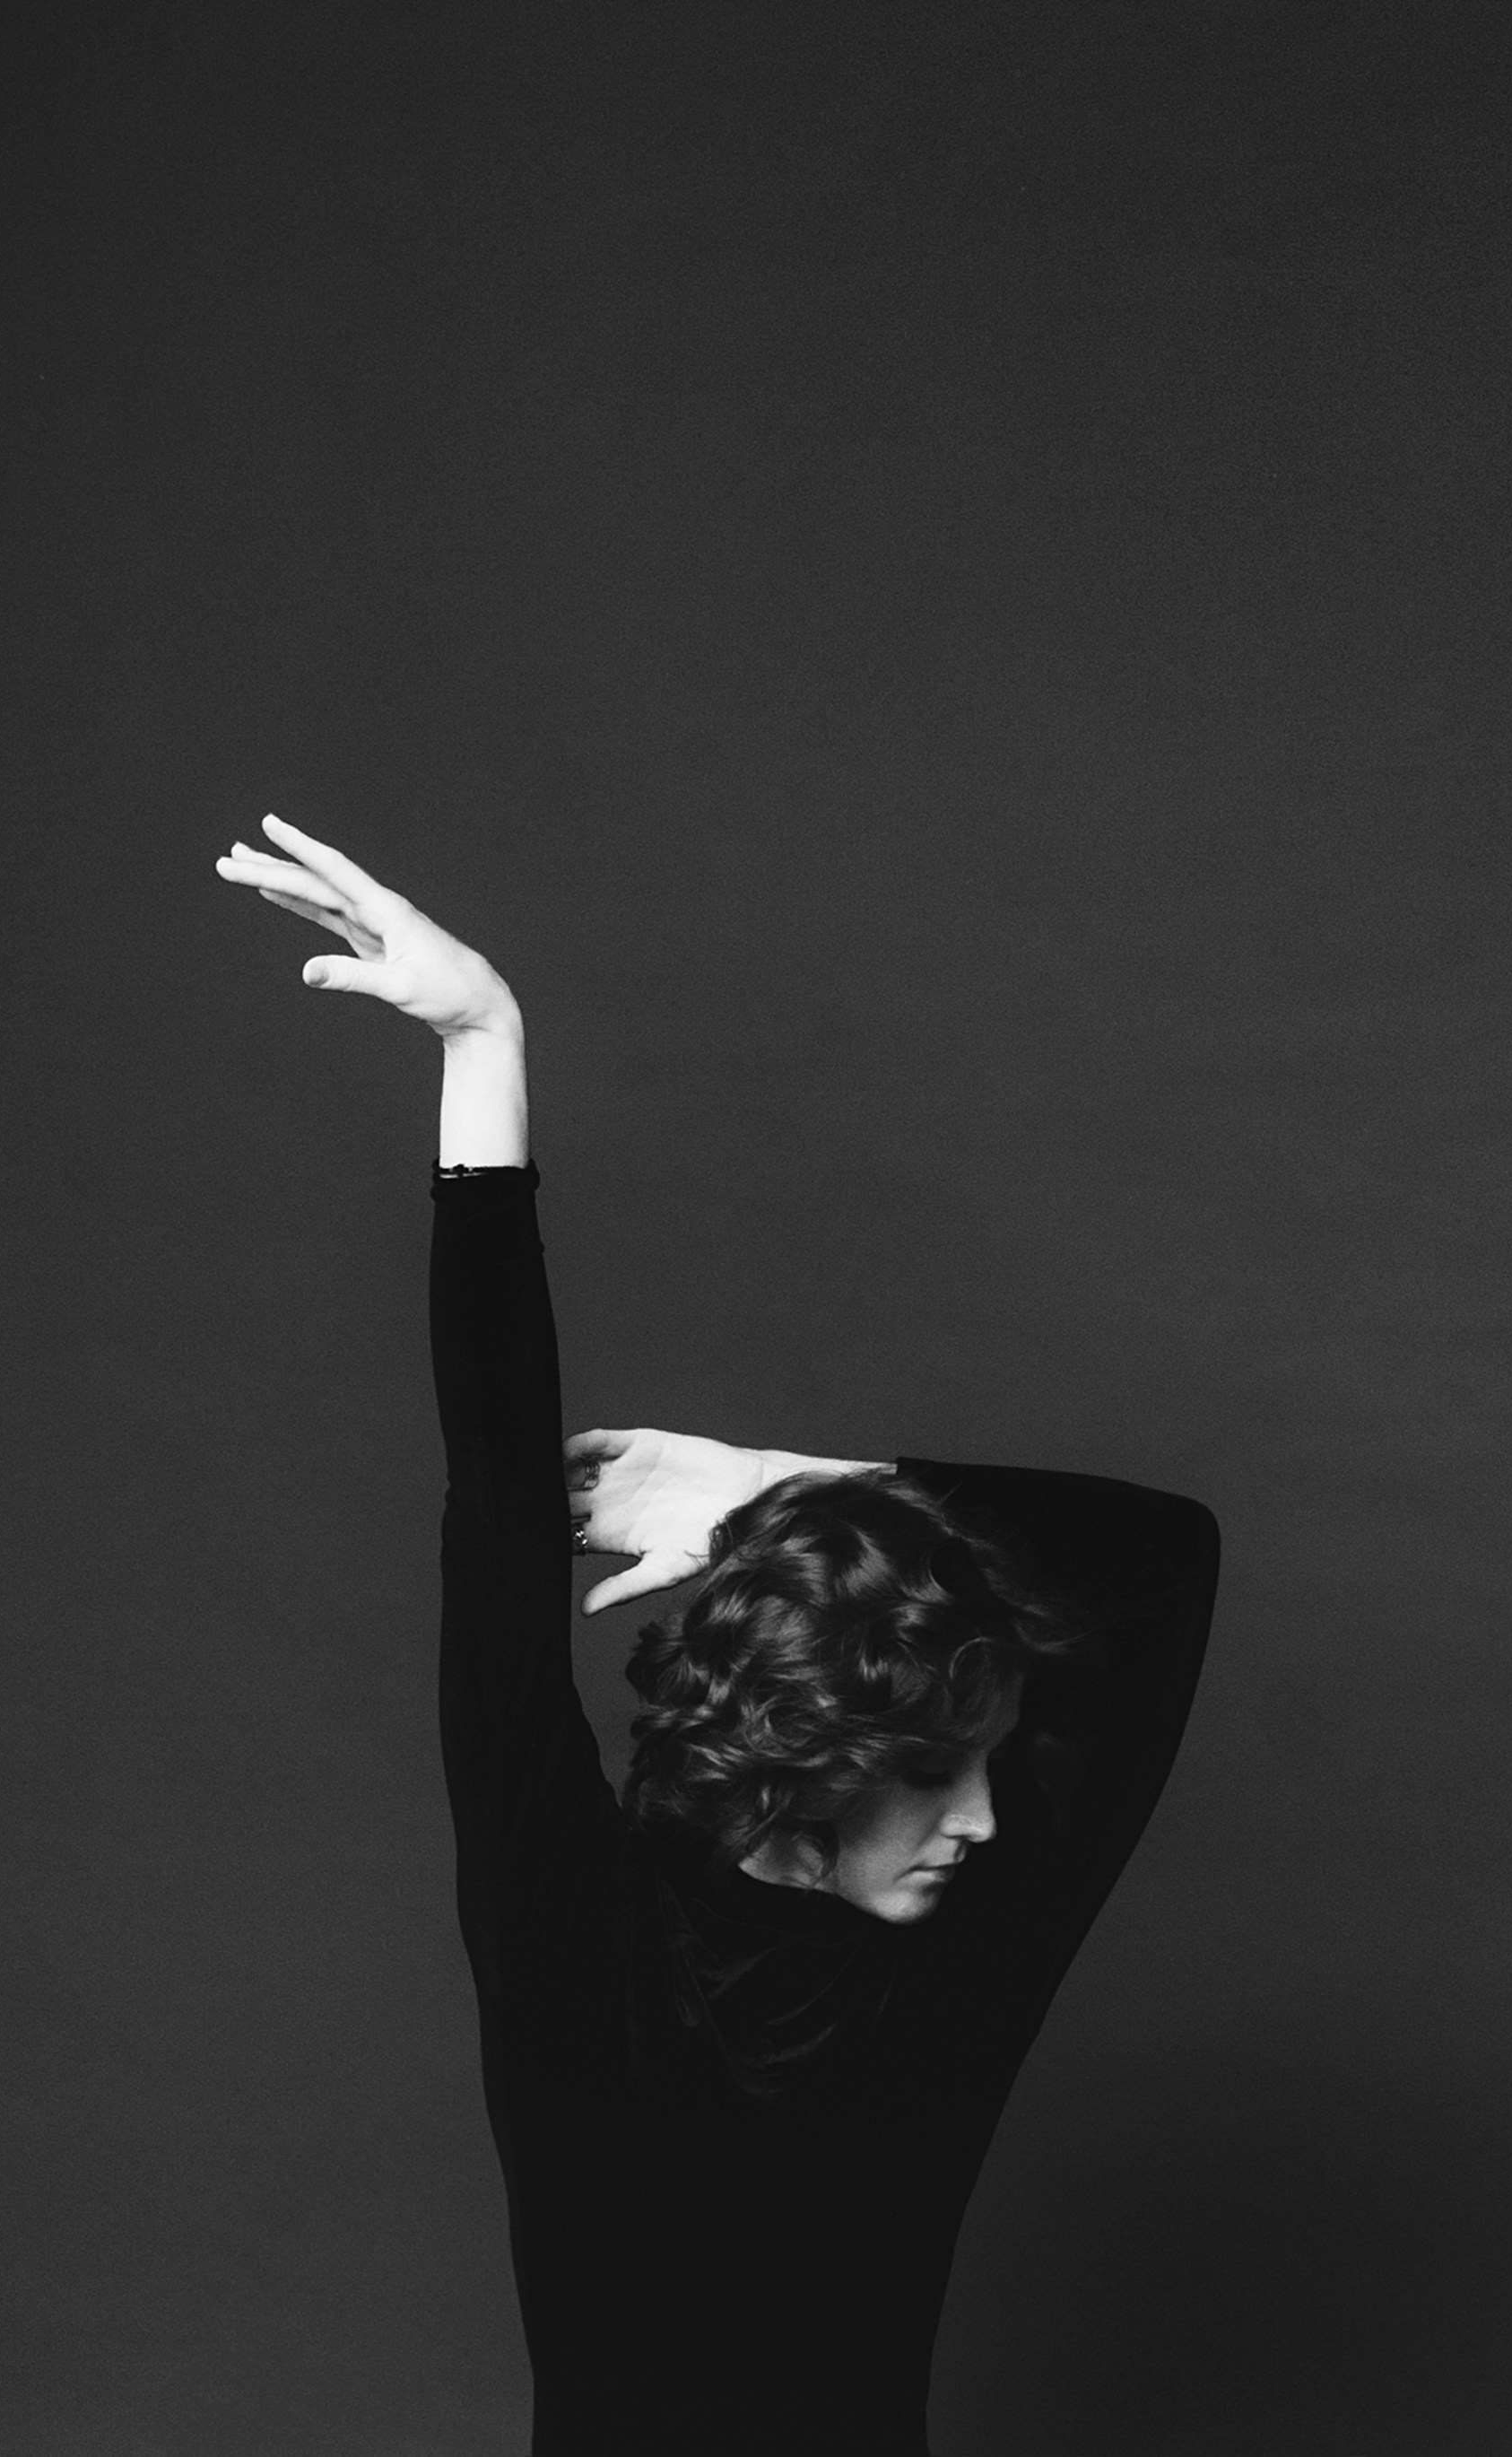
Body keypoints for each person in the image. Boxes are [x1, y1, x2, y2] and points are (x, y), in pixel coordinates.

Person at [216, 815, 1221, 2457]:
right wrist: (486, 1046)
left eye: (987, 1767)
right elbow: (493, 1493)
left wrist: (778, 1481)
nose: (986, 1817)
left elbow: (1167, 1555)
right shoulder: (572, 1925)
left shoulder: (961, 1942)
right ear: (816, 1761)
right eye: (941, 1771)